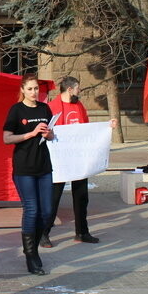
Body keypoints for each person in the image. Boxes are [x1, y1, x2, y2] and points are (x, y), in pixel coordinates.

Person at [42, 76, 117, 246]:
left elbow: (87, 130)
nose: (79, 91)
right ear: (69, 89)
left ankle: (82, 232)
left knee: (82, 197)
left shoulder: (79, 106)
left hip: (78, 159)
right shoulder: (52, 107)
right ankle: (44, 233)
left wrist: (107, 127)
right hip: (59, 160)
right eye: (78, 89)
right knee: (53, 198)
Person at [2, 74, 55, 275]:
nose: (34, 92)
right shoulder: (16, 110)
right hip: (24, 168)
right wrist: (30, 134)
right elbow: (6, 138)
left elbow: (52, 134)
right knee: (32, 210)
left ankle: (34, 244)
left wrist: (49, 135)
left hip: (44, 167)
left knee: (48, 211)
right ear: (23, 90)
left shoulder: (44, 109)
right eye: (30, 89)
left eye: (36, 89)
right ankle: (31, 255)